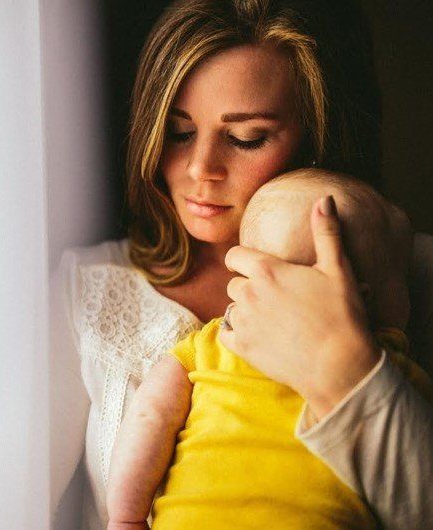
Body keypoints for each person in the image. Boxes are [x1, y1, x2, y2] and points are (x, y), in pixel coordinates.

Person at [49, 1, 433, 529]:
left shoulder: (413, 277)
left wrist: (344, 370)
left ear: (319, 136)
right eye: (179, 132)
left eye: (246, 138)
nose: (201, 168)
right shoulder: (87, 291)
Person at [105, 169, 433, 530]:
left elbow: (149, 416)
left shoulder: (210, 344)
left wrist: (126, 517)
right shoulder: (391, 375)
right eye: (401, 276)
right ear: (364, 295)